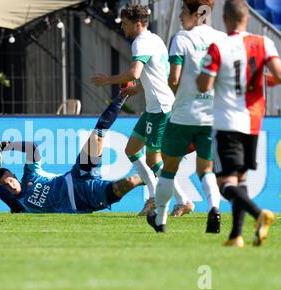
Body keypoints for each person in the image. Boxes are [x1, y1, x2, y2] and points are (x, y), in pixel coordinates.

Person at [91, 5, 193, 217]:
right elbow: (158, 75)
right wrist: (137, 89)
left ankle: (182, 201)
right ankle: (154, 196)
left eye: (126, 25)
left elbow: (133, 72)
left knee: (153, 160)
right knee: (131, 149)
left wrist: (107, 80)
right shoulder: (155, 40)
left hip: (161, 108)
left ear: (137, 24)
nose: (123, 29)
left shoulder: (140, 43)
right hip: (155, 106)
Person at [197, 0, 281, 247]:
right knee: (240, 181)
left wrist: (209, 70)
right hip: (253, 123)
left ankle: (259, 215)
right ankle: (236, 236)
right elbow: (278, 74)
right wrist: (268, 80)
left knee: (225, 184)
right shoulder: (264, 43)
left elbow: (204, 85)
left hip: (226, 123)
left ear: (225, 19)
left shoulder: (218, 46)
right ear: (247, 18)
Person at [0, 96, 144, 214]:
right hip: (84, 199)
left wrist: (2, 145)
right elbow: (6, 196)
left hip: (77, 175)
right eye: (6, 186)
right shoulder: (20, 206)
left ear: (14, 175)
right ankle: (153, 176)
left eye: (10, 181)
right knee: (130, 181)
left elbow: (32, 149)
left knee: (97, 134)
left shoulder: (31, 174)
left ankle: (121, 97)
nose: (10, 186)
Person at [146, 0, 226, 233]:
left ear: (198, 13)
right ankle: (213, 209)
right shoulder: (221, 39)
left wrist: (178, 94)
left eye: (183, 12)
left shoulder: (182, 38)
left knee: (169, 168)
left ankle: (160, 220)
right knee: (206, 169)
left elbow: (173, 79)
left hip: (183, 115)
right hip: (211, 116)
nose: (181, 17)